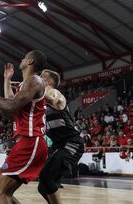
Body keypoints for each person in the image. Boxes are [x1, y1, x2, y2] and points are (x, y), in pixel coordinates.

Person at [0, 50, 48, 204]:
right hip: (26, 142)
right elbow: (9, 112)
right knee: (5, 193)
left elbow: (11, 106)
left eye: (24, 57)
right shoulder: (25, 84)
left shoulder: (35, 80)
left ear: (29, 61)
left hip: (31, 141)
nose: (21, 59)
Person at [38, 69, 84, 204]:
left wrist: (35, 89)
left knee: (45, 177)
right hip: (58, 145)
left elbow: (55, 100)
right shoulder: (41, 102)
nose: (38, 78)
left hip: (72, 143)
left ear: (48, 81)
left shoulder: (55, 93)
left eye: (41, 77)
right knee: (42, 186)